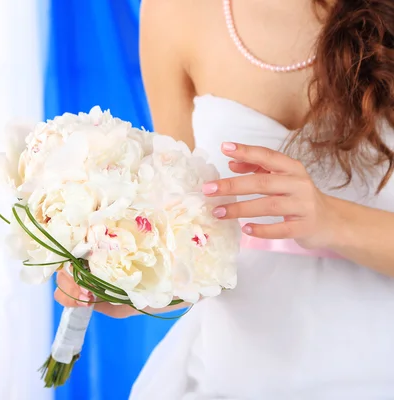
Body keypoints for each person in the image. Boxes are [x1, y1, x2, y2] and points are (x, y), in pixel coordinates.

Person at [54, 0, 394, 398]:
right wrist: (138, 286)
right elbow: (192, 233)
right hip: (231, 373)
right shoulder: (174, 12)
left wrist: (330, 219)